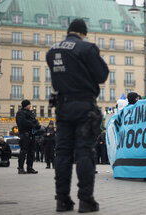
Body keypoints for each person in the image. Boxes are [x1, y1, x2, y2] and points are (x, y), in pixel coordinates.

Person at [46, 18, 109, 213]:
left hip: (62, 107)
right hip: (83, 106)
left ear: (69, 31)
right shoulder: (86, 48)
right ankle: (85, 200)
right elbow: (102, 75)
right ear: (83, 32)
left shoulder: (52, 51)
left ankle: (62, 200)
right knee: (84, 151)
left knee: (62, 152)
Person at [16, 99, 41, 174]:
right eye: (29, 104)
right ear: (26, 105)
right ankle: (20, 168)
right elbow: (23, 122)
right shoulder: (20, 113)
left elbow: (35, 121)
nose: (30, 105)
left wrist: (37, 125)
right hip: (25, 134)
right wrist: (33, 125)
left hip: (31, 135)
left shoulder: (31, 113)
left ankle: (29, 167)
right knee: (23, 151)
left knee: (31, 152)